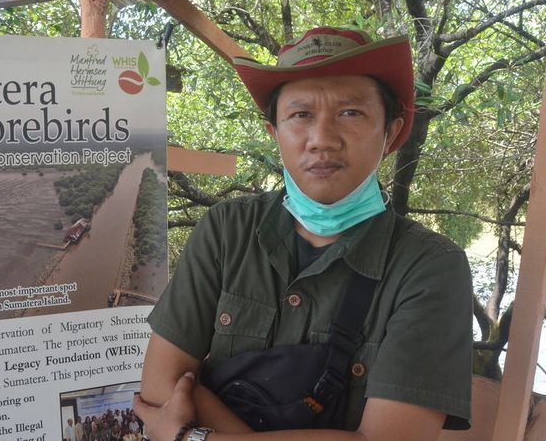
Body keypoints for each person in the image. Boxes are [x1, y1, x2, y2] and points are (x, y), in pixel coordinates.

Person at [133, 27, 472, 440]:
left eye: (351, 113)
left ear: (392, 133)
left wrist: (195, 437)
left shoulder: (428, 267)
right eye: (300, 115)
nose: (322, 140)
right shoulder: (227, 230)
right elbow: (160, 389)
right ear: (275, 133)